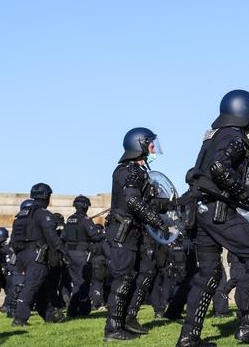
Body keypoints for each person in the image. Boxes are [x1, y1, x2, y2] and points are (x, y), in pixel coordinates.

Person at [177, 90, 249, 346]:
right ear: (244, 111)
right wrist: (247, 198)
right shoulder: (235, 137)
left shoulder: (213, 136)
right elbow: (219, 168)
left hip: (202, 211)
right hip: (220, 213)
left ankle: (189, 337)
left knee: (207, 273)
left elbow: (207, 171)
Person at [104, 127, 169, 341]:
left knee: (145, 274)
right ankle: (113, 328)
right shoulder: (127, 170)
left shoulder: (139, 170)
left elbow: (148, 200)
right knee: (123, 279)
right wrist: (157, 221)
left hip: (136, 232)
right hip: (123, 232)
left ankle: (129, 318)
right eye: (150, 143)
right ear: (139, 144)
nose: (153, 148)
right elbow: (133, 201)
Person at [10, 183, 69, 326]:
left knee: (42, 285)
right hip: (36, 255)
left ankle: (49, 315)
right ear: (46, 196)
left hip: (22, 254)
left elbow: (13, 239)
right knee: (31, 286)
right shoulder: (43, 214)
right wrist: (64, 251)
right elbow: (52, 237)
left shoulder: (21, 215)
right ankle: (20, 318)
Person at [63, 195, 105, 317]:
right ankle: (83, 309)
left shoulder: (70, 219)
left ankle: (71, 311)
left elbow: (64, 236)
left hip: (69, 253)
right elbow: (95, 236)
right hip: (81, 254)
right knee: (84, 282)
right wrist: (103, 234)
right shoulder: (85, 220)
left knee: (76, 282)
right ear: (85, 206)